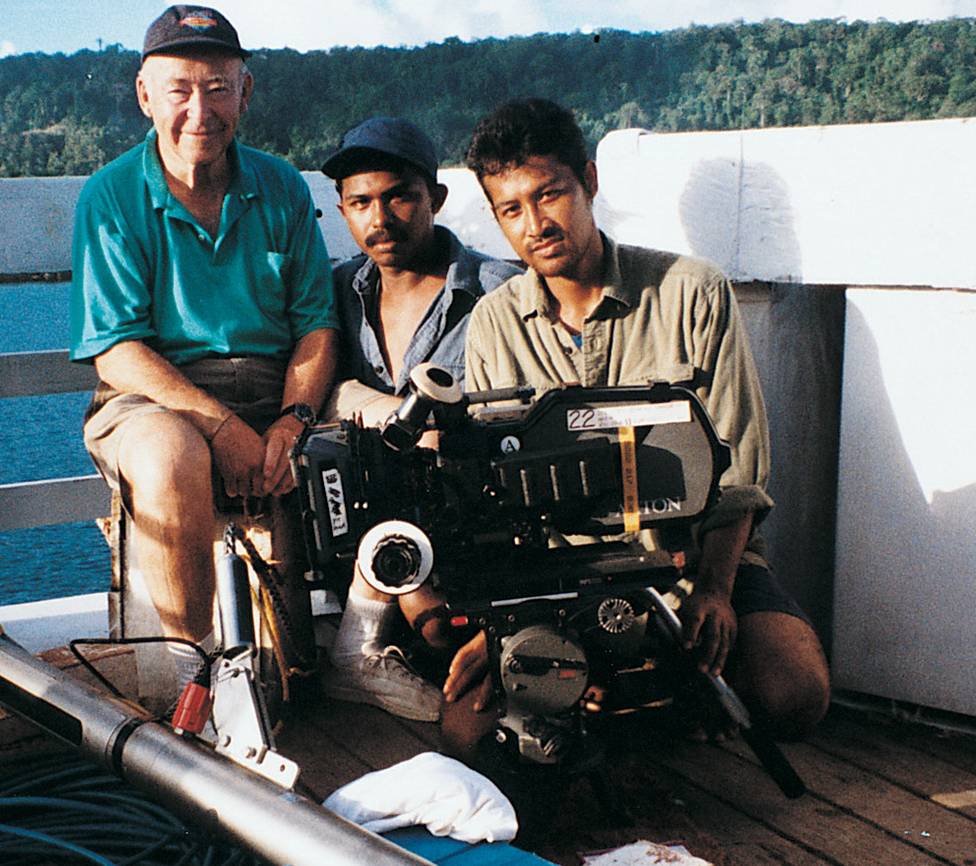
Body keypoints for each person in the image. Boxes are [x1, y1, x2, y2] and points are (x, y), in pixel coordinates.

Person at [452, 98, 830, 741]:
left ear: (590, 183)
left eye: (550, 195)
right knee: (471, 733)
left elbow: (739, 466)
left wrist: (714, 588)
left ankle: (664, 685)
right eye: (510, 209)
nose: (535, 223)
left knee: (793, 695)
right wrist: (506, 624)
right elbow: (497, 498)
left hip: (695, 564)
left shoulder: (692, 290)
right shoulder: (492, 321)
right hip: (564, 582)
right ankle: (628, 693)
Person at [68, 5, 337, 695]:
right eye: (180, 88)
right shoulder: (111, 197)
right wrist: (220, 430)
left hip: (273, 391)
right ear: (145, 96)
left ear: (245, 93)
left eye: (219, 86)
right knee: (171, 454)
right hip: (152, 395)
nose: (200, 109)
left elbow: (315, 327)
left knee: (379, 436)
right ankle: (190, 669)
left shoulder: (281, 187)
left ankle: (359, 650)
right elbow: (117, 351)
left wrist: (293, 420)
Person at [315, 117, 520, 722]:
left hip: (472, 525)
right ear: (343, 210)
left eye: (399, 196)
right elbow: (309, 393)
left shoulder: (497, 292)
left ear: (437, 197)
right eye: (360, 203)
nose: (379, 219)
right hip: (361, 524)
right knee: (434, 633)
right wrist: (375, 407)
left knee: (441, 641)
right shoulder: (335, 292)